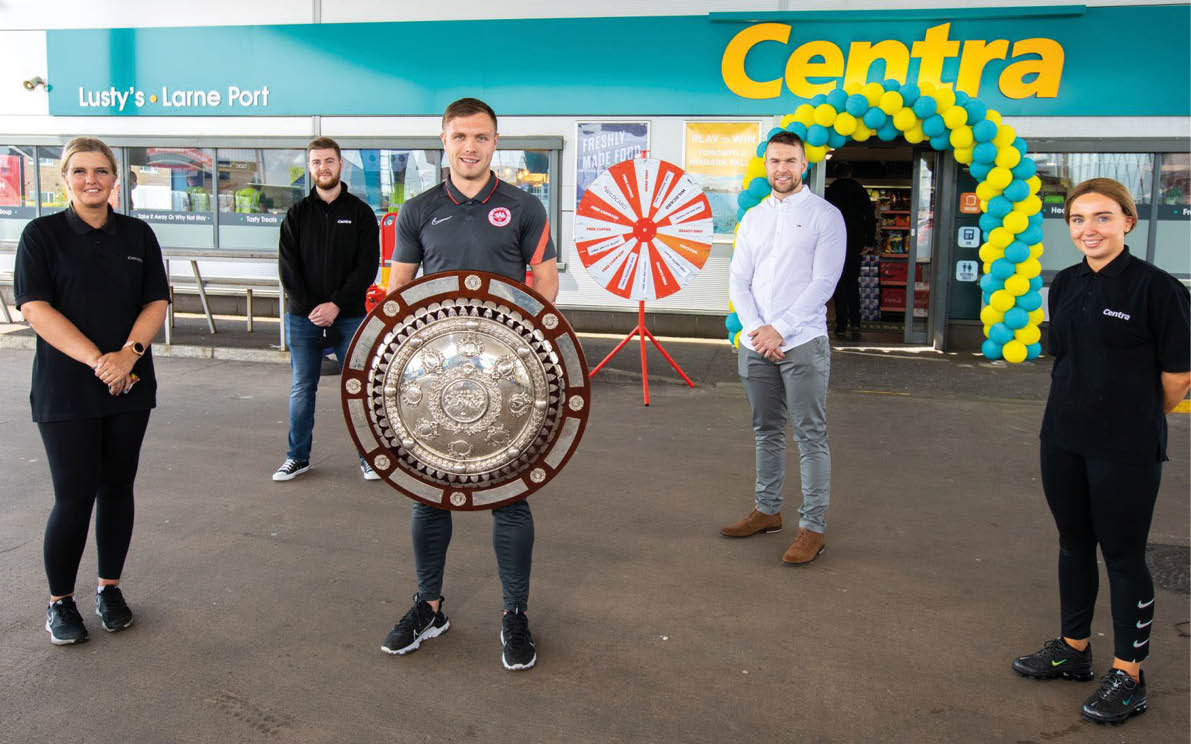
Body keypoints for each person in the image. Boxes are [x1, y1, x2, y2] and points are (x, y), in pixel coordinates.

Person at [383, 97, 559, 671]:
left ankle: (514, 614)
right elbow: (397, 295)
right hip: (432, 381)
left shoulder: (524, 206)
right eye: (460, 136)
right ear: (444, 140)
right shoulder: (418, 211)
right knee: (429, 495)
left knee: (509, 498)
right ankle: (430, 606)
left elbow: (547, 284)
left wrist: (513, 339)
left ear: (495, 143)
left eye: (481, 137)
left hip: (508, 380)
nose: (470, 147)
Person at [1011, 178, 1190, 725]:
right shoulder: (1063, 284)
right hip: (1062, 438)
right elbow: (1065, 355)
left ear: (1127, 222)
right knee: (1073, 544)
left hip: (1126, 447)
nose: (1089, 229)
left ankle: (1129, 673)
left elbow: (1179, 377)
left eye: (1102, 218)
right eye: (1078, 220)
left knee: (1123, 556)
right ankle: (1073, 649)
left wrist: (1132, 416)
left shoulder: (1158, 289)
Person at [13, 137, 170, 644]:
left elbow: (156, 302)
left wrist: (129, 356)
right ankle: (60, 601)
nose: (92, 180)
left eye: (101, 171)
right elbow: (35, 308)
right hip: (66, 390)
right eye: (80, 171)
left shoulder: (138, 235)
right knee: (74, 496)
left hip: (129, 386)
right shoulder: (42, 235)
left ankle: (110, 588)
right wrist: (99, 362)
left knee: (117, 489)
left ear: (115, 178)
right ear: (65, 178)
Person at [721, 131, 846, 566]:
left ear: (804, 165)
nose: (781, 169)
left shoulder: (825, 217)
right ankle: (767, 511)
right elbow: (739, 278)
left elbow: (823, 284)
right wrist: (758, 330)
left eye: (790, 161)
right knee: (766, 430)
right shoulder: (754, 217)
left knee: (811, 435)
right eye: (775, 161)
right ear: (766, 165)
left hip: (804, 343)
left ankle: (812, 528)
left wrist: (781, 330)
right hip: (757, 343)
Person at [274, 137, 380, 482]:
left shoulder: (360, 213)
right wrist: (312, 309)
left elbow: (367, 267)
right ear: (310, 168)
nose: (323, 168)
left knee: (359, 388)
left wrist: (336, 305)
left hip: (349, 317)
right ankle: (297, 457)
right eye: (317, 162)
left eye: (329, 161)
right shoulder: (297, 214)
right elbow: (288, 270)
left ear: (340, 165)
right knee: (302, 388)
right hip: (303, 319)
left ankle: (369, 457)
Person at [824, 162, 874, 341]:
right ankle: (856, 322)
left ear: (836, 174)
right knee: (853, 284)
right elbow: (870, 216)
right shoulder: (859, 190)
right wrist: (869, 241)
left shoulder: (830, 191)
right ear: (851, 172)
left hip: (835, 244)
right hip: (855, 244)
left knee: (838, 285)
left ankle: (841, 324)